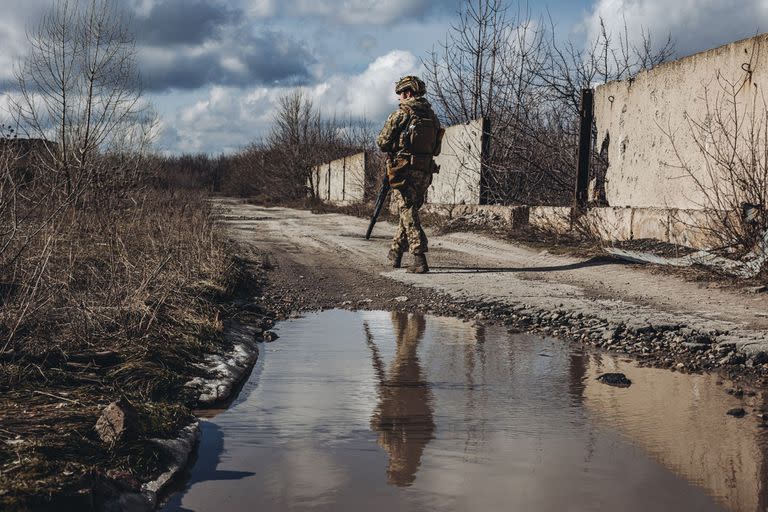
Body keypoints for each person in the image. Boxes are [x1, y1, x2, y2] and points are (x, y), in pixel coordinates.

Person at [376, 75, 441, 274]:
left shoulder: (402, 114)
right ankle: (395, 253)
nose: (400, 98)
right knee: (408, 212)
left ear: (408, 93)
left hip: (403, 171)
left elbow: (382, 142)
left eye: (401, 94)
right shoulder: (432, 116)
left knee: (408, 213)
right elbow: (436, 147)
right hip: (425, 172)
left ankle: (419, 257)